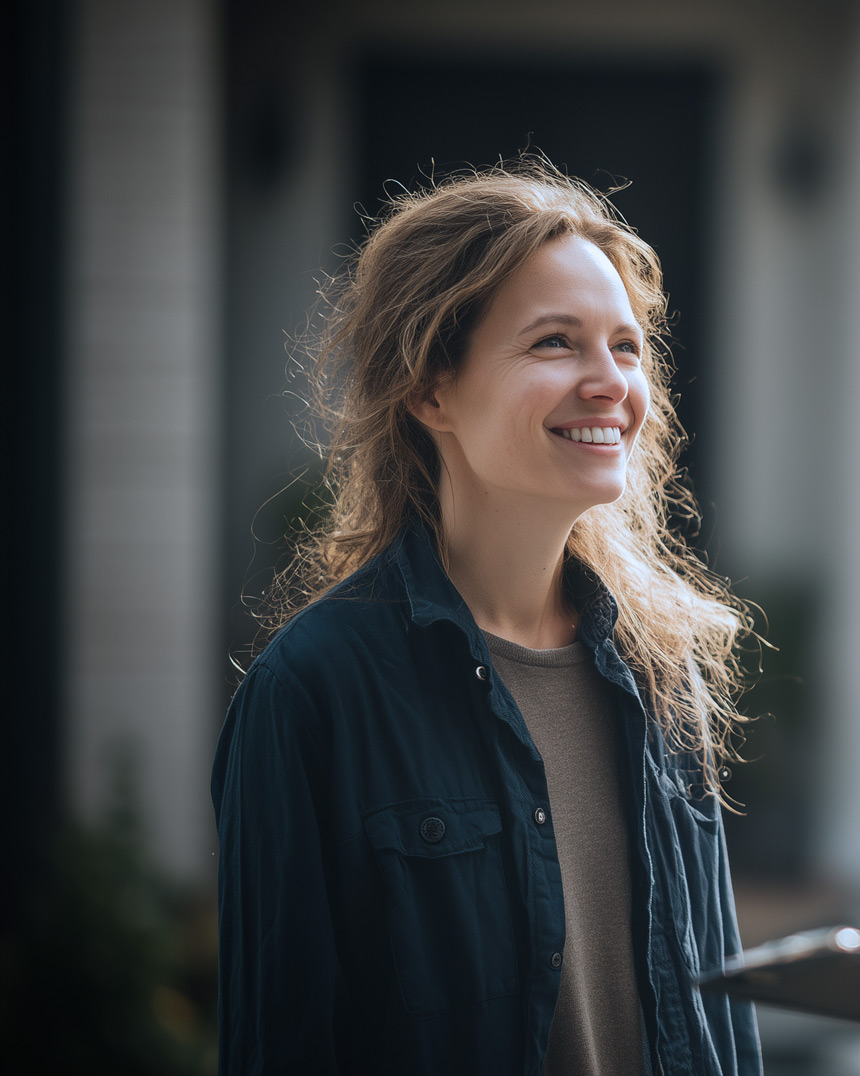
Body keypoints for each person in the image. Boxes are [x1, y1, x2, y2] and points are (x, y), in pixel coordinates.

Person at [212, 164, 761, 1075]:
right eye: (556, 343)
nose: (610, 384)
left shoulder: (664, 670)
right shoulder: (312, 694)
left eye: (625, 348)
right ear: (432, 393)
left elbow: (722, 1021)